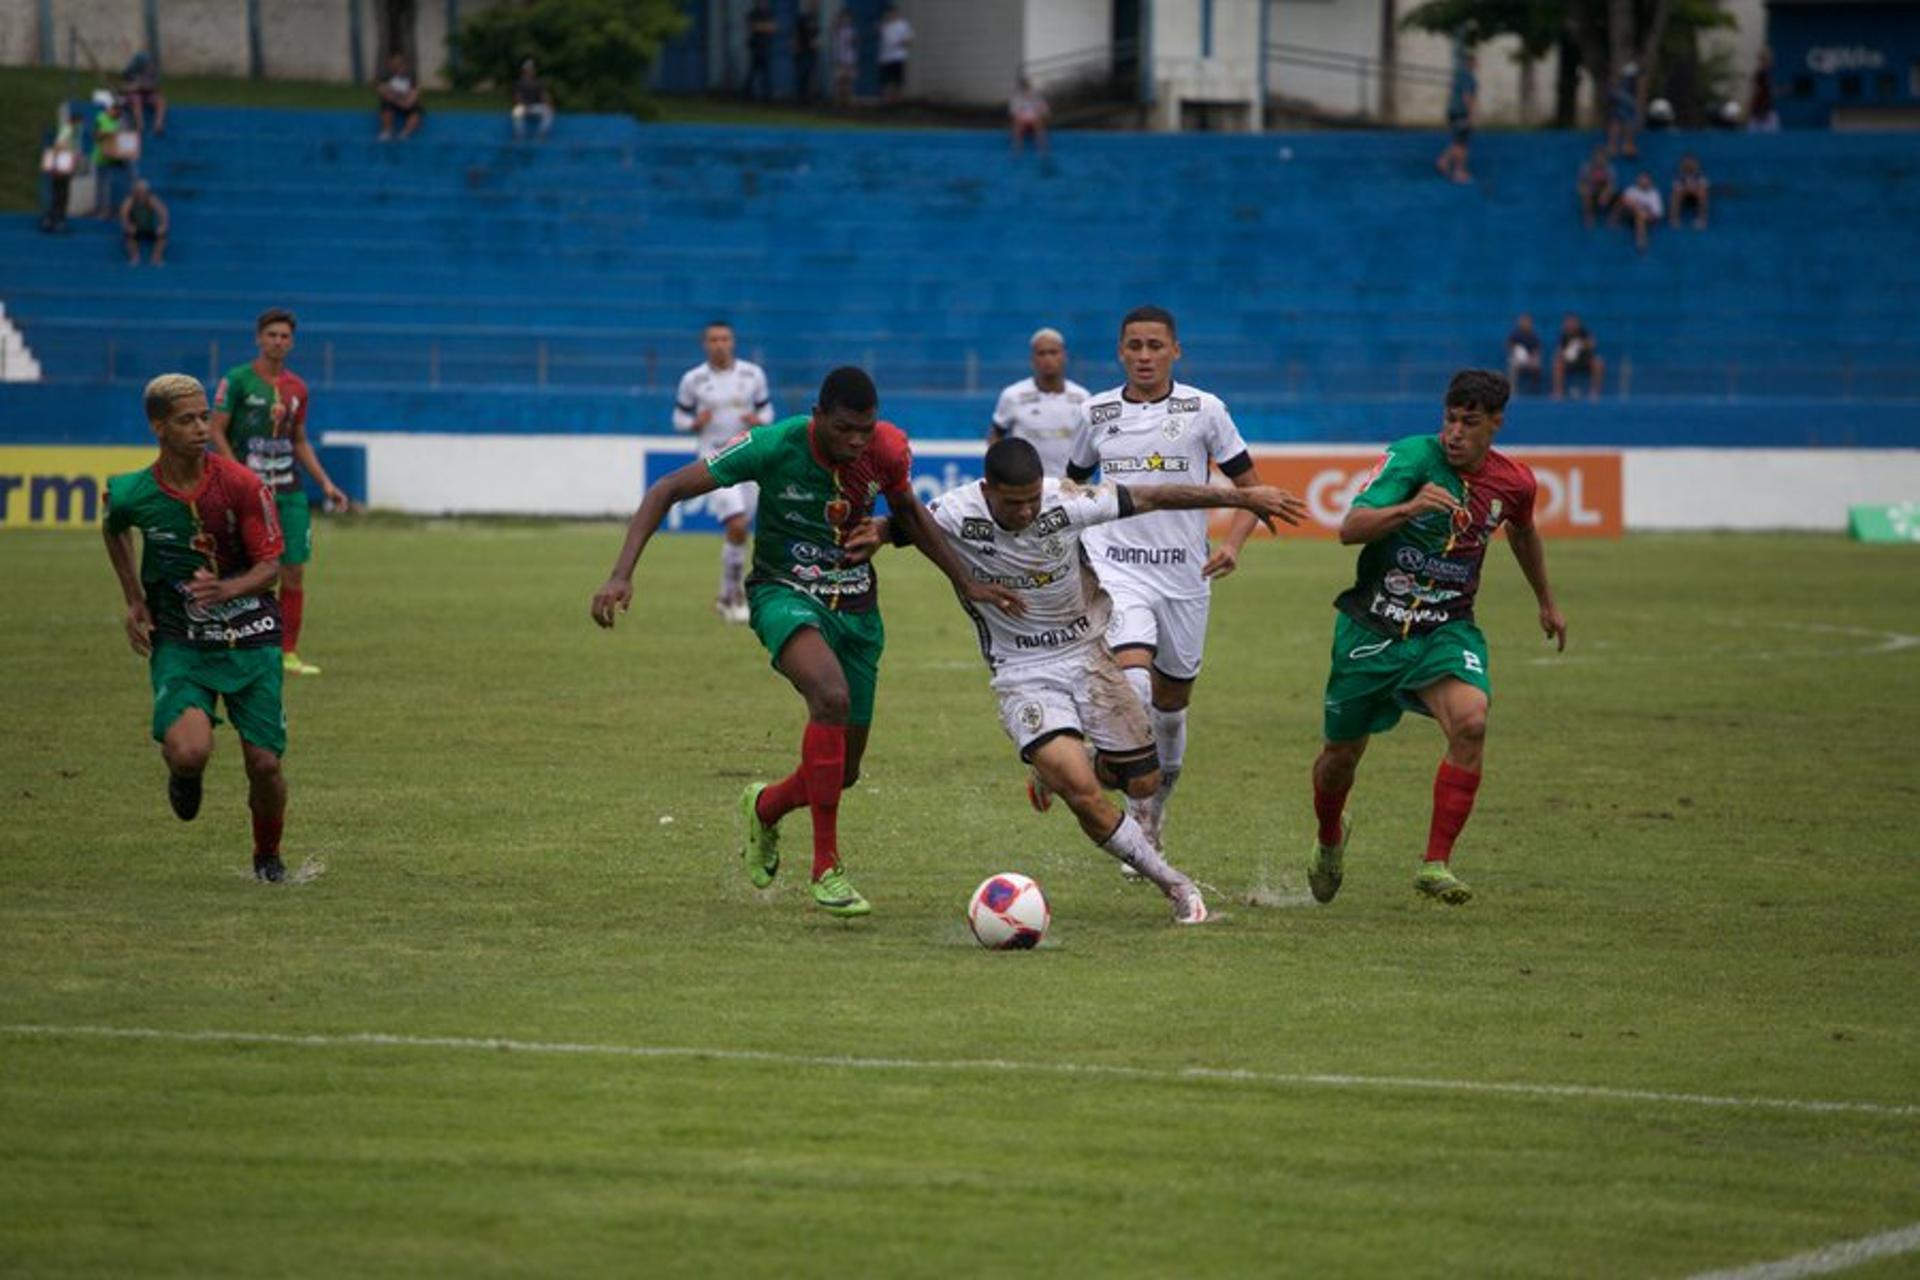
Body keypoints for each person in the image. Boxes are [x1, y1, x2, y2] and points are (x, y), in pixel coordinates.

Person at [590, 367, 1023, 918]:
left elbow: (909, 514)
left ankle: (766, 807)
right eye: (845, 429)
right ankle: (827, 869)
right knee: (830, 696)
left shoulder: (887, 449)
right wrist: (621, 573)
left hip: (858, 608)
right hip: (783, 593)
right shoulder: (775, 445)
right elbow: (668, 488)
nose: (857, 442)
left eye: (865, 430)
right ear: (818, 418)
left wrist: (965, 582)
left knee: (842, 772)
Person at [858, 439, 1308, 924]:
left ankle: (1066, 766)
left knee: (1144, 781)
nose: (1027, 510)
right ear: (988, 490)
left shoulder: (1064, 501)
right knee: (1082, 793)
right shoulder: (954, 512)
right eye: (1014, 503)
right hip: (1022, 672)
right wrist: (877, 535)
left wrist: (1244, 497)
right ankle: (1176, 886)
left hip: (1088, 655)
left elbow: (1154, 497)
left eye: (1032, 498)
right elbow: (901, 525)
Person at [1307, 370, 1566, 907]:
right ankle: (1330, 838)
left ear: (1496, 424)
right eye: (1449, 419)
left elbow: (1522, 530)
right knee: (1339, 759)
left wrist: (1545, 600)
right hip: (1373, 626)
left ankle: (1435, 863)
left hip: (1444, 629)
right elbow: (1348, 529)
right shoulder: (1410, 458)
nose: (1454, 433)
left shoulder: (1515, 482)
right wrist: (1409, 507)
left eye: (1469, 423)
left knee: (1471, 719)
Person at [1063, 305, 1270, 865]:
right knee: (1137, 691)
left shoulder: (1205, 410)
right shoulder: (1097, 411)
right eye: (1134, 346)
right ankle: (1112, 791)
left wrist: (1232, 543)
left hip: (1183, 577)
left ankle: (1151, 810)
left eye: (1156, 345)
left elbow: (1252, 488)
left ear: (1176, 350)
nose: (1145, 356)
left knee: (1172, 709)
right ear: (1120, 352)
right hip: (1117, 570)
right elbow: (1072, 486)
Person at [102, 374, 293, 883]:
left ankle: (267, 857)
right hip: (182, 640)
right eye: (187, 420)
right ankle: (184, 777)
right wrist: (134, 599)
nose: (201, 427)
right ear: (158, 426)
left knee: (265, 766)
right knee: (189, 753)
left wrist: (228, 590)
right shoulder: (132, 493)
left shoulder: (241, 484)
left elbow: (271, 565)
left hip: (251, 635)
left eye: (205, 416)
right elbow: (113, 527)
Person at [210, 309, 347, 677]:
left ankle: (287, 652)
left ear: (292, 341)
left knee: (294, 572)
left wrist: (326, 484)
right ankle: (231, 641)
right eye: (271, 334)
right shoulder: (237, 381)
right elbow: (215, 429)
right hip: (247, 495)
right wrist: (235, 473)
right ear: (258, 337)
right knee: (243, 569)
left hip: (289, 491)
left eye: (284, 336)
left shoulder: (297, 388)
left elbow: (299, 439)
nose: (278, 341)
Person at [672, 322, 774, 623]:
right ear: (705, 344)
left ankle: (725, 595)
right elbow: (678, 416)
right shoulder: (694, 379)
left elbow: (768, 413)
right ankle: (735, 596)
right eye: (714, 339)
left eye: (725, 338)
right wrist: (693, 423)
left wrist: (757, 419)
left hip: (748, 457)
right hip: (714, 458)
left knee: (741, 531)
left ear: (733, 341)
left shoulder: (752, 375)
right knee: (738, 525)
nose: (720, 344)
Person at [988, 328, 1087, 478]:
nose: (1047, 358)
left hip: (1069, 486)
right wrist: (998, 470)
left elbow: (1089, 442)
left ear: (1064, 356)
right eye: (1041, 353)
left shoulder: (1082, 398)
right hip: (1026, 485)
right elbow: (996, 434)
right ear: (1032, 359)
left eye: (1053, 352)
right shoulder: (1013, 396)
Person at [1436, 50, 1476, 184]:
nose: (1477, 64)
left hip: (1453, 112)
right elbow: (1467, 96)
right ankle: (1457, 172)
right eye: (1474, 62)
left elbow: (1451, 93)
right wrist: (1470, 115)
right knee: (1461, 143)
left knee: (1460, 142)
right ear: (1470, 63)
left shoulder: (1458, 76)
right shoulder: (1468, 77)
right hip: (1461, 113)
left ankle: (1445, 162)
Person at [90, 95, 132, 217]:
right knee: (101, 185)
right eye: (116, 109)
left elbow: (128, 138)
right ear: (110, 109)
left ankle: (117, 209)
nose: (118, 112)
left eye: (120, 110)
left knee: (114, 184)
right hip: (101, 157)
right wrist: (109, 133)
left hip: (116, 158)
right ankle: (101, 209)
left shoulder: (122, 120)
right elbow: (96, 135)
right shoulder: (100, 118)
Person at [39, 113, 79, 233]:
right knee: (61, 195)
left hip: (62, 166)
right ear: (76, 121)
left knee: (58, 194)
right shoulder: (67, 130)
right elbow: (58, 146)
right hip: (61, 168)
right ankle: (55, 220)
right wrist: (56, 165)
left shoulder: (68, 131)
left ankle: (51, 219)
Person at [1551, 312, 1605, 399]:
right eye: (1568, 322)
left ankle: (1594, 393)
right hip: (1569, 362)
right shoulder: (1564, 335)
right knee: (1557, 363)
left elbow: (1593, 343)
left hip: (1584, 361)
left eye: (1572, 322)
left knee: (1598, 362)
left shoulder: (1584, 332)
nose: (1570, 324)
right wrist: (1563, 354)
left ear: (1577, 323)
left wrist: (1580, 344)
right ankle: (1558, 392)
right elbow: (1559, 351)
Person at [119, 179, 169, 267]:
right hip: (136, 227)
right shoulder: (130, 200)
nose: (141, 193)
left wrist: (163, 225)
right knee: (129, 235)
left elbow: (163, 212)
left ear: (147, 191)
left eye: (143, 191)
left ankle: (156, 257)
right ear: (135, 191)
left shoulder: (152, 199)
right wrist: (127, 225)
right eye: (139, 191)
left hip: (149, 227)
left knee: (162, 235)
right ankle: (134, 257)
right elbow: (123, 214)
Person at [1612, 170, 1664, 253]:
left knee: (1640, 215)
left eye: (1645, 179)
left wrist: (1644, 211)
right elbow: (1623, 202)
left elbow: (1657, 214)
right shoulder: (1631, 190)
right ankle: (1614, 220)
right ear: (1638, 180)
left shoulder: (1654, 193)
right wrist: (1636, 206)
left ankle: (1641, 241)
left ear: (1650, 181)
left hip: (1648, 218)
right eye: (1641, 179)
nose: (1643, 181)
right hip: (1630, 215)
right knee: (1625, 200)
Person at [378, 53, 422, 141]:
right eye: (397, 66)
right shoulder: (387, 77)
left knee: (416, 112)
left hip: (407, 102)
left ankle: (405, 132)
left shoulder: (411, 77)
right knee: (386, 107)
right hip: (394, 102)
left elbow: (414, 92)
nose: (401, 69)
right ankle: (387, 131)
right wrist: (399, 102)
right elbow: (384, 92)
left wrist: (409, 101)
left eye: (402, 66)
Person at [122, 51, 167, 136]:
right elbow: (125, 87)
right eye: (146, 63)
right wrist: (136, 86)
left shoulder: (152, 72)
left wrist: (148, 86)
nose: (148, 65)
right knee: (136, 98)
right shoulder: (130, 72)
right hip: (133, 95)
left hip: (147, 94)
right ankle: (140, 125)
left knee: (160, 100)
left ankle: (158, 125)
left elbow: (156, 87)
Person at [511, 59, 555, 141]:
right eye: (529, 70)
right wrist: (524, 104)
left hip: (534, 106)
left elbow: (543, 95)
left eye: (532, 70)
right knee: (516, 111)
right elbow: (517, 97)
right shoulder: (519, 83)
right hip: (523, 106)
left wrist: (549, 104)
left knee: (548, 111)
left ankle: (541, 134)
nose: (531, 72)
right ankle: (519, 135)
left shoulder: (537, 83)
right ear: (524, 71)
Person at [878, 7, 913, 104]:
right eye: (888, 14)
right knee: (886, 81)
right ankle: (887, 100)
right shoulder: (885, 26)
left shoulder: (903, 25)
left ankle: (897, 101)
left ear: (896, 13)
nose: (890, 16)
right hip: (885, 58)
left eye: (892, 13)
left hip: (898, 57)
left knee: (898, 80)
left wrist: (898, 43)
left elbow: (909, 41)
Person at [1576, 146, 1617, 229]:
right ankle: (1588, 216)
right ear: (1593, 158)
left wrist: (1606, 193)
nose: (1600, 160)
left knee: (1618, 199)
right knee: (1585, 197)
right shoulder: (1586, 168)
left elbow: (1612, 185)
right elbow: (1580, 184)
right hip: (1591, 190)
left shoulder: (1609, 169)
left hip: (1604, 191)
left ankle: (1612, 218)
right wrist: (1584, 191)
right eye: (1597, 157)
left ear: (1606, 159)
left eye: (1602, 157)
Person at [744, 2, 777, 102]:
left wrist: (762, 27)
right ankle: (746, 94)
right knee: (753, 72)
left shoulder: (769, 13)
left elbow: (773, 28)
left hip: (765, 47)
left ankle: (767, 96)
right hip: (756, 47)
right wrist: (765, 27)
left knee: (765, 73)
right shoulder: (754, 13)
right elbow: (754, 27)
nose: (763, 3)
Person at [1607, 61, 1640, 158]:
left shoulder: (1628, 95)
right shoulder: (1622, 93)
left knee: (1627, 121)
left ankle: (1625, 145)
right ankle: (1615, 146)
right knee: (1618, 121)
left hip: (1626, 114)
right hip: (1621, 114)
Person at [1010, 77, 1050, 154]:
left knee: (1037, 122)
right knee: (1018, 122)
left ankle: (1043, 149)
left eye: (1028, 88)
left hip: (1035, 121)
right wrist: (1020, 117)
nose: (1027, 91)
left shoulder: (1037, 98)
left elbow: (1045, 111)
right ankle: (1017, 149)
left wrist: (1041, 114)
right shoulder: (1017, 99)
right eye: (1025, 89)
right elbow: (1014, 113)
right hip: (1022, 122)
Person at [1671, 153, 1710, 229]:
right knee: (1675, 194)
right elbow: (1676, 187)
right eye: (1686, 163)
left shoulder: (1700, 175)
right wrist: (1686, 189)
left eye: (1691, 163)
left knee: (1702, 193)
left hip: (1696, 195)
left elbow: (1705, 186)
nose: (1689, 165)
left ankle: (1702, 220)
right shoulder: (1679, 175)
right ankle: (1674, 219)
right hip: (1684, 195)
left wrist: (1694, 189)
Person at [1505, 313, 1542, 393]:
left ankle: (1534, 389)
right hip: (1517, 360)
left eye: (1527, 322)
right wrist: (1516, 350)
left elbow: (1537, 351)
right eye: (1523, 322)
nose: (1525, 324)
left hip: (1530, 359)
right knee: (1512, 365)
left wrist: (1531, 358)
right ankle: (1512, 390)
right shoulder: (1515, 334)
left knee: (1537, 365)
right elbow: (1508, 345)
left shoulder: (1533, 336)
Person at [792, 3, 821, 104]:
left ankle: (807, 100)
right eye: (813, 4)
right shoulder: (803, 18)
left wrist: (816, 44)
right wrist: (796, 48)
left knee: (810, 76)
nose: (815, 7)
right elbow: (796, 34)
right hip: (802, 52)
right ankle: (800, 99)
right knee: (801, 76)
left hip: (811, 52)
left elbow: (815, 35)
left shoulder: (816, 20)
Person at [831, 10, 859, 107]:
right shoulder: (837, 30)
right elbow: (832, 31)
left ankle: (849, 100)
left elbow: (855, 42)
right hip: (839, 57)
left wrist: (853, 40)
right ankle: (839, 100)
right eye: (843, 18)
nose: (845, 20)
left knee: (848, 80)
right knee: (839, 80)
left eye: (847, 18)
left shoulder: (852, 30)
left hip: (849, 58)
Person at [1748, 48, 1779, 133]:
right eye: (1767, 59)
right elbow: (1757, 92)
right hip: (1761, 111)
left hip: (1766, 109)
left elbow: (1770, 92)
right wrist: (1758, 109)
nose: (1770, 62)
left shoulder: (1768, 74)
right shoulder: (1760, 75)